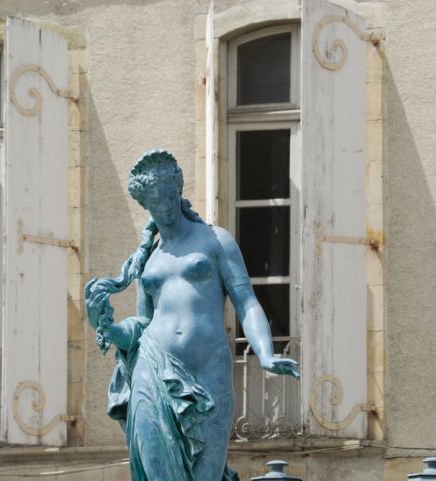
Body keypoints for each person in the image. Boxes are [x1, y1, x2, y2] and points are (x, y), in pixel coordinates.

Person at [85, 149, 299, 481]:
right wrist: (110, 330)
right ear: (146, 206)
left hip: (208, 372)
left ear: (179, 192)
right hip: (152, 372)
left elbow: (247, 302)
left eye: (171, 196)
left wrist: (266, 353)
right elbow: (142, 325)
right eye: (157, 201)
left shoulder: (215, 241)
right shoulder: (147, 262)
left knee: (206, 475)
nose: (167, 206)